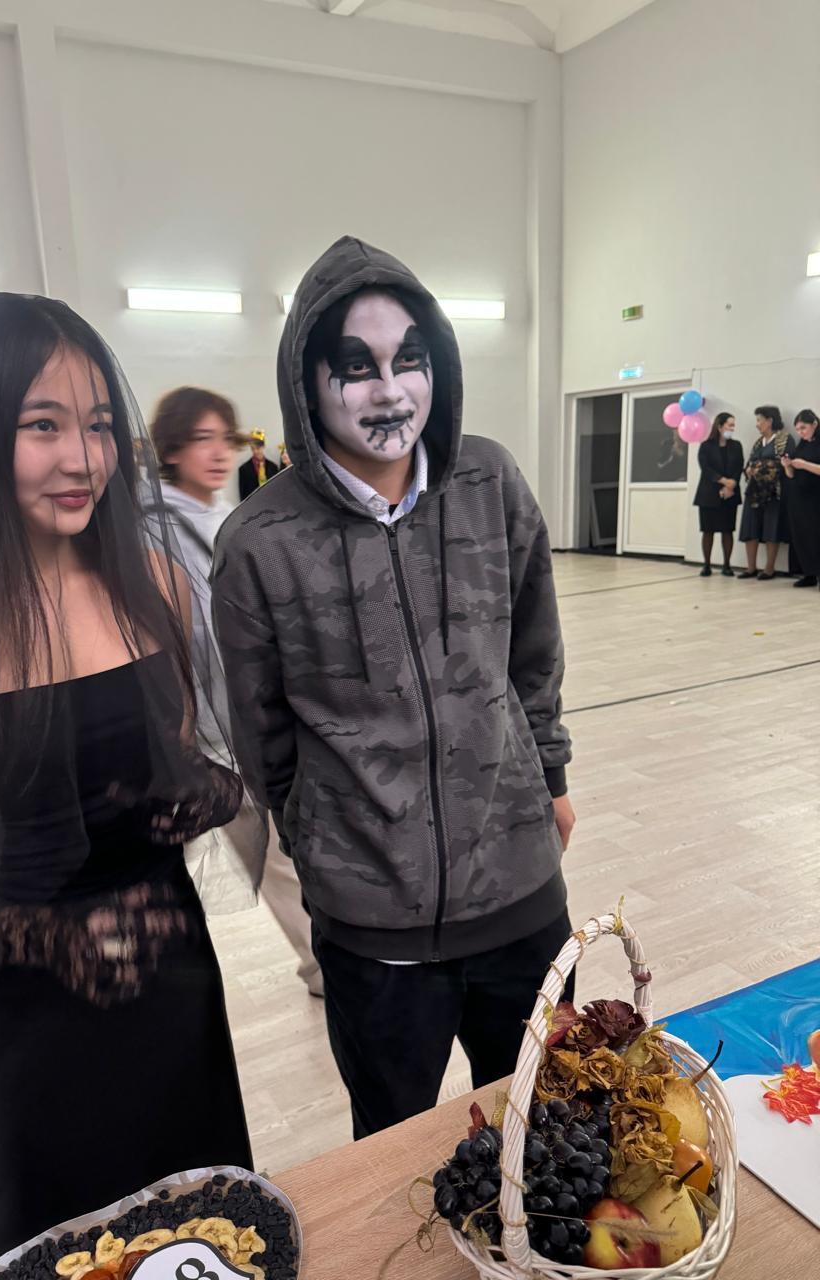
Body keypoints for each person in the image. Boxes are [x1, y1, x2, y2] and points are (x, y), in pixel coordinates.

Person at [0, 295, 258, 1280]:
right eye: (43, 424)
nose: (84, 459)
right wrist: (41, 939)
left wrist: (201, 795)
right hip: (13, 1025)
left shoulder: (154, 581)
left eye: (99, 425)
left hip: (168, 985)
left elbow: (182, 765)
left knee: (197, 1238)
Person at [213, 236, 575, 1139]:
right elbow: (259, 732)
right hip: (372, 928)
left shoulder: (491, 482)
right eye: (356, 366)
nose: (389, 389)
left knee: (547, 1127)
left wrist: (550, 778)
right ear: (307, 381)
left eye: (409, 359)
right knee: (393, 1150)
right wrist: (323, 843)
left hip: (522, 894)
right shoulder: (259, 542)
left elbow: (534, 651)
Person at [146, 385, 321, 994]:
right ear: (172, 449)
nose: (220, 452)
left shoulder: (220, 515)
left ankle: (321, 961)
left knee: (277, 851)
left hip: (246, 720)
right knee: (275, 853)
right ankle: (322, 964)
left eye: (226, 438)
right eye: (202, 439)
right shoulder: (157, 529)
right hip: (215, 731)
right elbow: (191, 637)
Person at [738, 405, 790, 580]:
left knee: (771, 527)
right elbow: (749, 463)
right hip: (754, 491)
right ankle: (750, 567)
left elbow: (785, 463)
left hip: (773, 491)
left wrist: (762, 468)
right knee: (750, 526)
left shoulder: (784, 440)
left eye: (759, 420)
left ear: (769, 421)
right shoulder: (758, 443)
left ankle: (769, 569)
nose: (757, 424)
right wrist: (749, 471)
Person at [693, 412, 743, 576]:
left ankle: (727, 565)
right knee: (708, 530)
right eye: (730, 425)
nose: (732, 428)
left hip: (730, 493)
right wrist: (723, 481)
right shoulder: (706, 446)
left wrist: (731, 484)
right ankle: (706, 565)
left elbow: (739, 467)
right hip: (709, 494)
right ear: (720, 426)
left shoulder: (736, 446)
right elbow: (706, 468)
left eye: (733, 425)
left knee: (727, 530)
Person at [781, 409, 820, 590]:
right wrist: (787, 466)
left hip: (816, 497)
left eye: (803, 428)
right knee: (802, 535)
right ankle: (808, 573)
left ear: (814, 424)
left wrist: (804, 465)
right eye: (797, 429)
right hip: (799, 497)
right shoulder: (801, 445)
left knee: (816, 535)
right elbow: (791, 475)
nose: (800, 432)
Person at [237, 428, 279, 502]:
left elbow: (277, 490)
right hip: (252, 505)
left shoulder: (273, 467)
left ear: (263, 446)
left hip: (271, 503)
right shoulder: (243, 469)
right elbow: (243, 497)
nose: (255, 451)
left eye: (258, 448)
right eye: (252, 448)